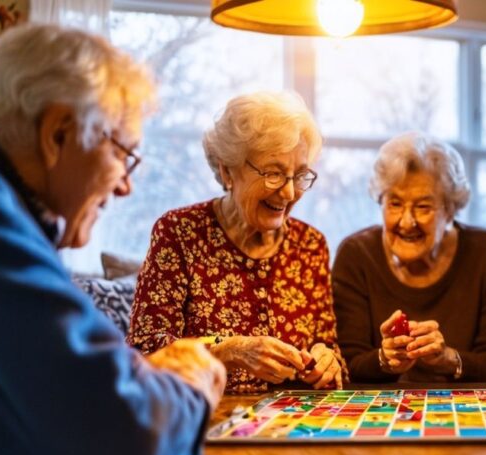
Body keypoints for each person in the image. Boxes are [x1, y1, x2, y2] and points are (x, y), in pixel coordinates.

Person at [0, 24, 227, 455]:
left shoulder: (6, 210)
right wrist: (191, 388)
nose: (126, 187)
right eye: (124, 154)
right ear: (58, 133)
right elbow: (117, 427)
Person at [128, 92, 344, 392]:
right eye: (273, 173)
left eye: (300, 175)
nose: (289, 192)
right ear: (228, 171)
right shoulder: (179, 232)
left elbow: (328, 344)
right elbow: (145, 353)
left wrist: (327, 360)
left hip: (291, 425)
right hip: (206, 418)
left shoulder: (310, 244)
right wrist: (231, 350)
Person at [332, 132, 486, 382]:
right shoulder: (356, 255)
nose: (407, 222)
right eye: (395, 204)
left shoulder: (482, 250)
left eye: (423, 207)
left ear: (450, 210)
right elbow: (347, 363)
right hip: (380, 413)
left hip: (463, 412)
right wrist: (385, 360)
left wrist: (449, 359)